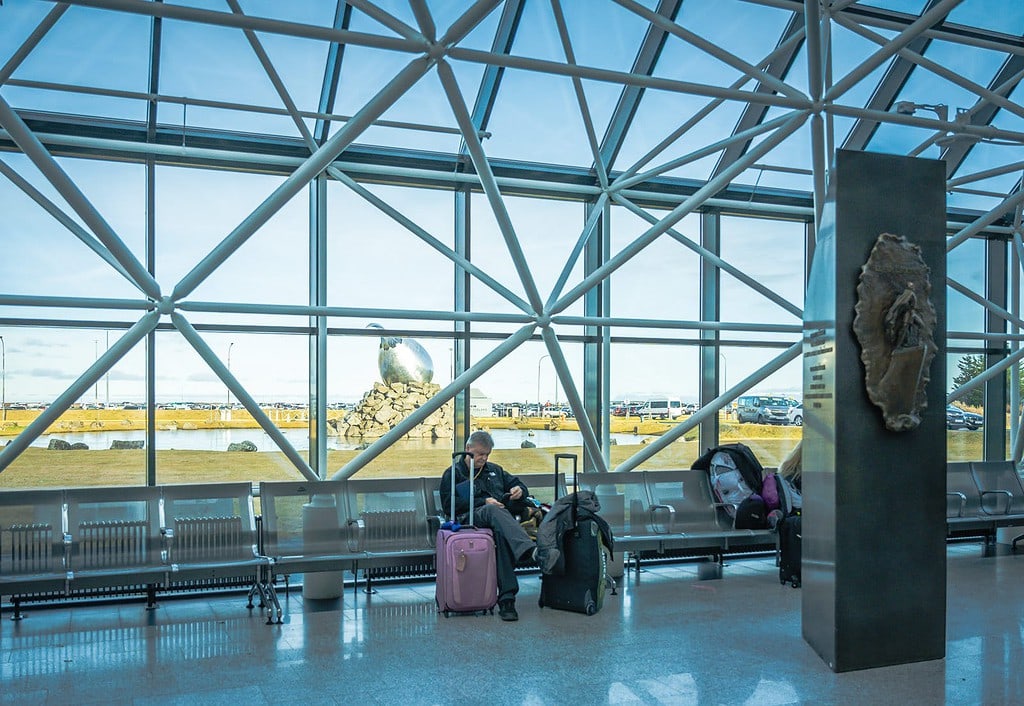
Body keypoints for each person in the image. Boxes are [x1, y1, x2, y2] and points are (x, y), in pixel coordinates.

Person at [439, 430, 537, 621]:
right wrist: (484, 502)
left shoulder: (495, 470)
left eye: (487, 454)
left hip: (498, 524)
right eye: (480, 454)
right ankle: (528, 550)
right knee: (493, 511)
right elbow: (448, 506)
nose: (483, 458)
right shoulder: (453, 473)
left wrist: (520, 491)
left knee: (499, 535)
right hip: (470, 519)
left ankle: (507, 601)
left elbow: (519, 485)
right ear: (468, 449)